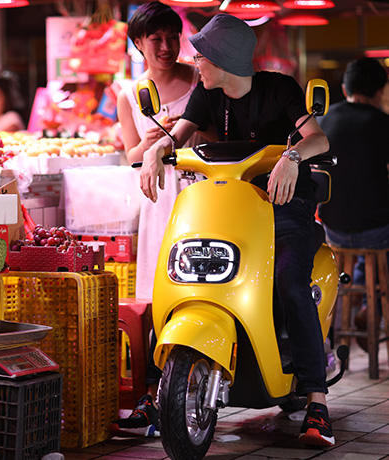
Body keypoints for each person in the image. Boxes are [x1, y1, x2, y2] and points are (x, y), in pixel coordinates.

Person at [140, 13, 335, 447]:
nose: (196, 63)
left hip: (284, 204)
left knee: (288, 280)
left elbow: (318, 138)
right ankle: (156, 390)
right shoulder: (206, 95)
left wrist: (292, 157)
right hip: (228, 202)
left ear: (222, 60)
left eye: (201, 56)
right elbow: (178, 135)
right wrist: (157, 148)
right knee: (182, 271)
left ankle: (316, 401)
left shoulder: (280, 89)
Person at [112, 1, 208, 436]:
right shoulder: (128, 94)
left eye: (174, 37)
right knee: (157, 291)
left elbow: (220, 136)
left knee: (201, 285)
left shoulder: (201, 79)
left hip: (201, 194)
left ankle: (199, 381)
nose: (167, 46)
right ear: (138, 44)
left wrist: (187, 134)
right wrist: (150, 142)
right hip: (158, 198)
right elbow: (130, 156)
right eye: (157, 40)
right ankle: (156, 390)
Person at [317, 58, 389, 320]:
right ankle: (373, 307)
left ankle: (355, 298)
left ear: (346, 89)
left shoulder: (323, 122)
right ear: (380, 91)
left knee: (364, 237)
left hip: (332, 228)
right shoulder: (383, 123)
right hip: (376, 233)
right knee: (376, 239)